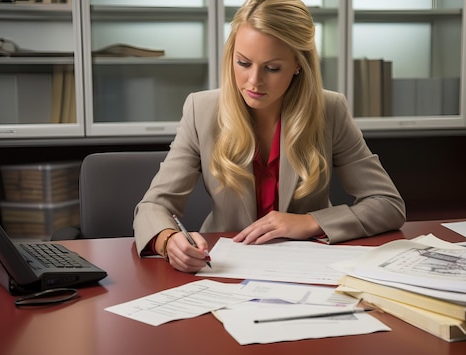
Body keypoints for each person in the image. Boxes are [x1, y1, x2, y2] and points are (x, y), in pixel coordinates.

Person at [133, 0, 406, 272]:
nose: (253, 81)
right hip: (224, 266)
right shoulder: (201, 109)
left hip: (307, 266)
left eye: (272, 68)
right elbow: (153, 206)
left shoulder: (330, 110)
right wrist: (168, 242)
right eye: (243, 63)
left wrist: (311, 222)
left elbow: (387, 204)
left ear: (298, 64)